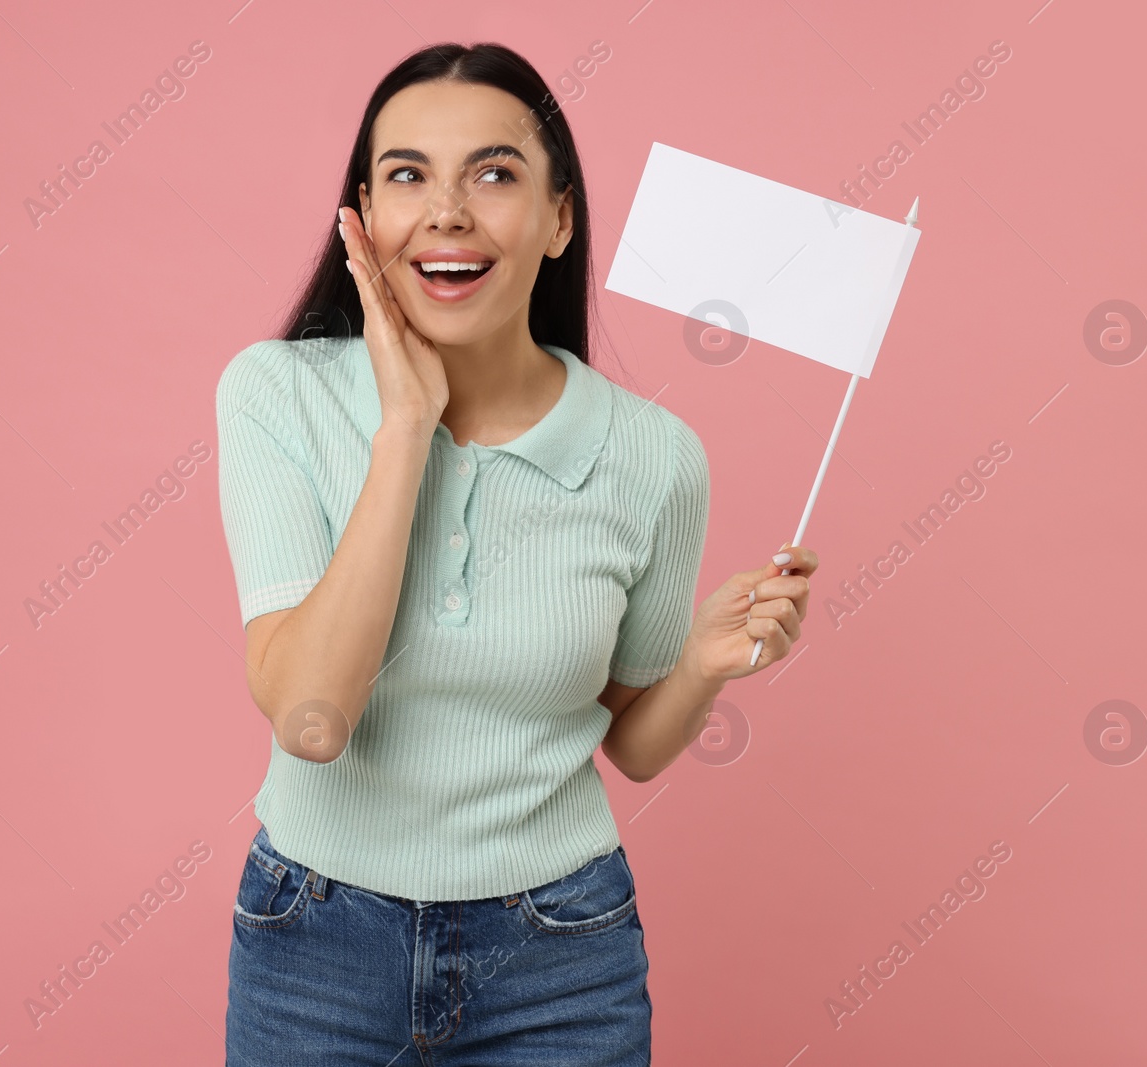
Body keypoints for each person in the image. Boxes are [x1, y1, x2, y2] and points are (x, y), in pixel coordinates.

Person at [216, 40, 818, 1066]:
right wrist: (405, 429)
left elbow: (630, 744)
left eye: (494, 174)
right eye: (408, 174)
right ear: (362, 214)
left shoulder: (654, 455)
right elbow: (312, 720)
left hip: (558, 953)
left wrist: (705, 667)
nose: (447, 210)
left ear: (559, 217)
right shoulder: (279, 394)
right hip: (314, 940)